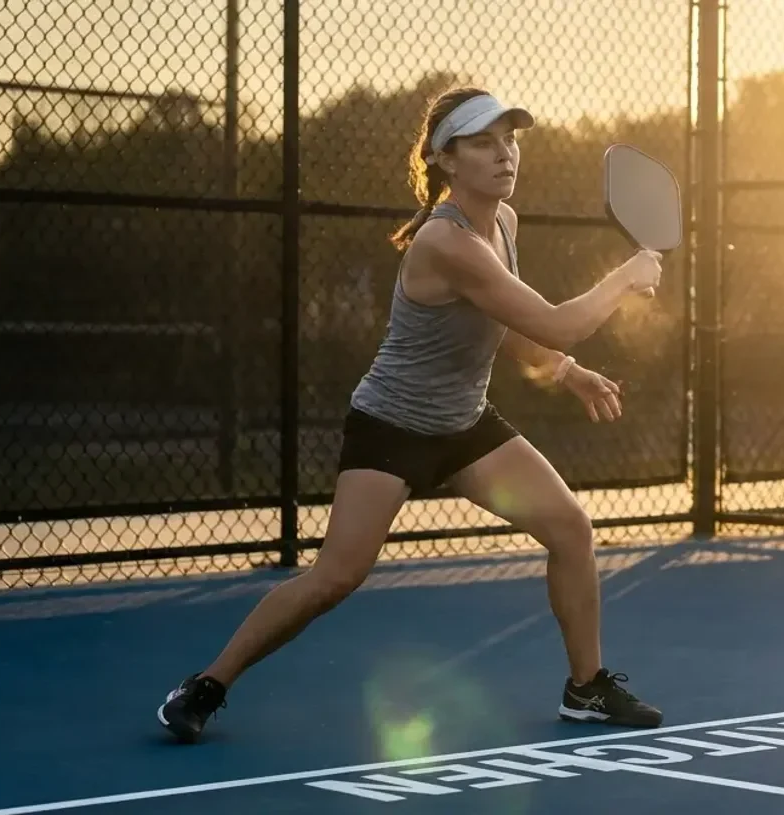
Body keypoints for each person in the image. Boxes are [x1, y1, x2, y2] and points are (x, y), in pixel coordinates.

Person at [155, 87, 667, 744]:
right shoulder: (444, 241)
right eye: (483, 143)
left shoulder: (504, 223)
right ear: (445, 159)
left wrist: (564, 371)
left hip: (465, 427)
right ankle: (206, 685)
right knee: (336, 577)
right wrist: (624, 277)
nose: (504, 154)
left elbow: (508, 324)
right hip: (392, 428)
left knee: (570, 528)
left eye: (509, 140)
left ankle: (586, 687)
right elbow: (556, 320)